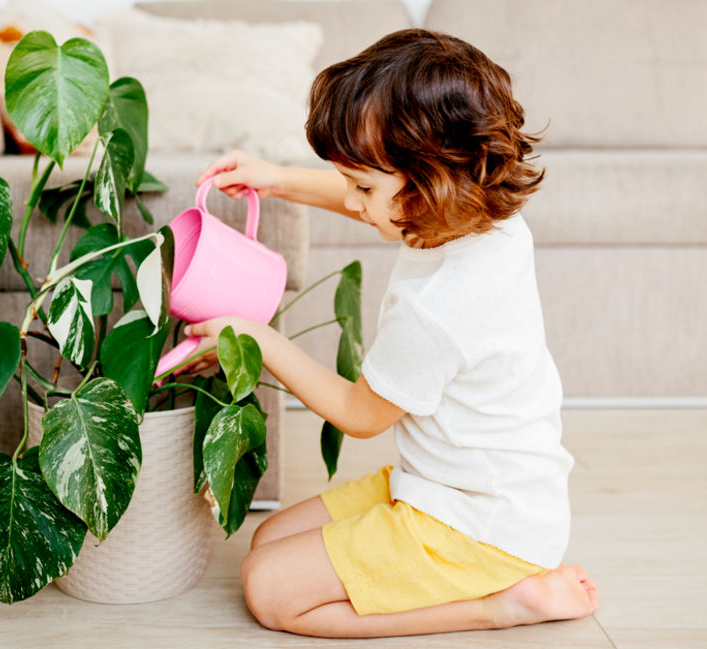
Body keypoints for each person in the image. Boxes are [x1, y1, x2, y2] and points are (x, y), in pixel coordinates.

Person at [176, 29, 598, 638]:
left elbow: (360, 413)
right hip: (452, 486)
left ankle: (503, 603)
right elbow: (373, 190)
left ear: (430, 182)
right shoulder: (480, 212)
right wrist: (277, 178)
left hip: (484, 525)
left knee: (269, 590)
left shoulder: (440, 307)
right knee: (268, 539)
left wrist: (257, 339)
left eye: (363, 188)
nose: (354, 201)